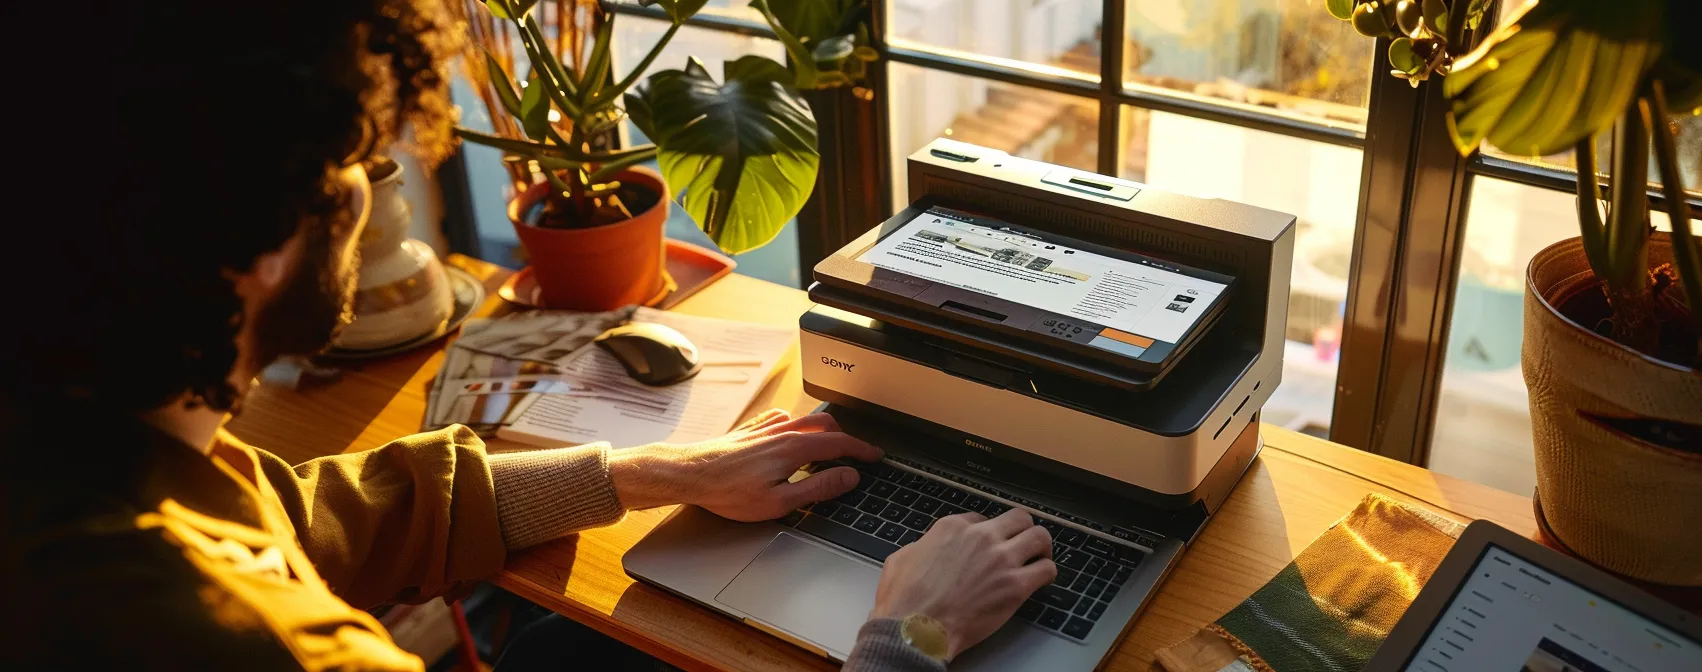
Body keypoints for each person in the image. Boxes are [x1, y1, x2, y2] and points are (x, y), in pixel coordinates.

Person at [4, 0, 1055, 669]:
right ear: (258, 234)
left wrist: (656, 473)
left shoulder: (78, 447)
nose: (372, 200)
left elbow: (309, 513)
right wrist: (906, 640)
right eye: (356, 165)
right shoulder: (263, 646)